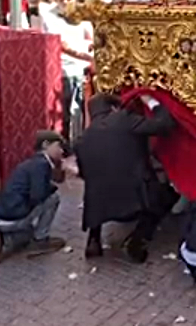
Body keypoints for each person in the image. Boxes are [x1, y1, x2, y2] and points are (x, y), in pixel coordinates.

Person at [76, 93, 177, 262]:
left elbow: (84, 174)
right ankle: (137, 240)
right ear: (114, 108)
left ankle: (94, 239)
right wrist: (152, 102)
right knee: (168, 197)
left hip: (99, 206)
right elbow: (165, 125)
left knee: (95, 188)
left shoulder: (82, 139)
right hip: (134, 200)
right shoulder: (124, 120)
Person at [0, 131, 69, 265]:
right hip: (12, 217)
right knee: (53, 198)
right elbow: (38, 195)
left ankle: (1, 238)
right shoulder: (42, 164)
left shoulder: (31, 163)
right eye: (58, 146)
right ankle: (41, 239)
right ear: (46, 145)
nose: (61, 151)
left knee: (27, 232)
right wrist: (53, 187)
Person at [42, 0, 93, 140]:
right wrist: (83, 55)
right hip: (62, 69)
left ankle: (78, 144)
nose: (65, 2)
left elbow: (90, 38)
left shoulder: (82, 16)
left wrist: (92, 52)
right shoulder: (49, 16)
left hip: (82, 70)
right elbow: (60, 44)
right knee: (64, 113)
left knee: (79, 112)